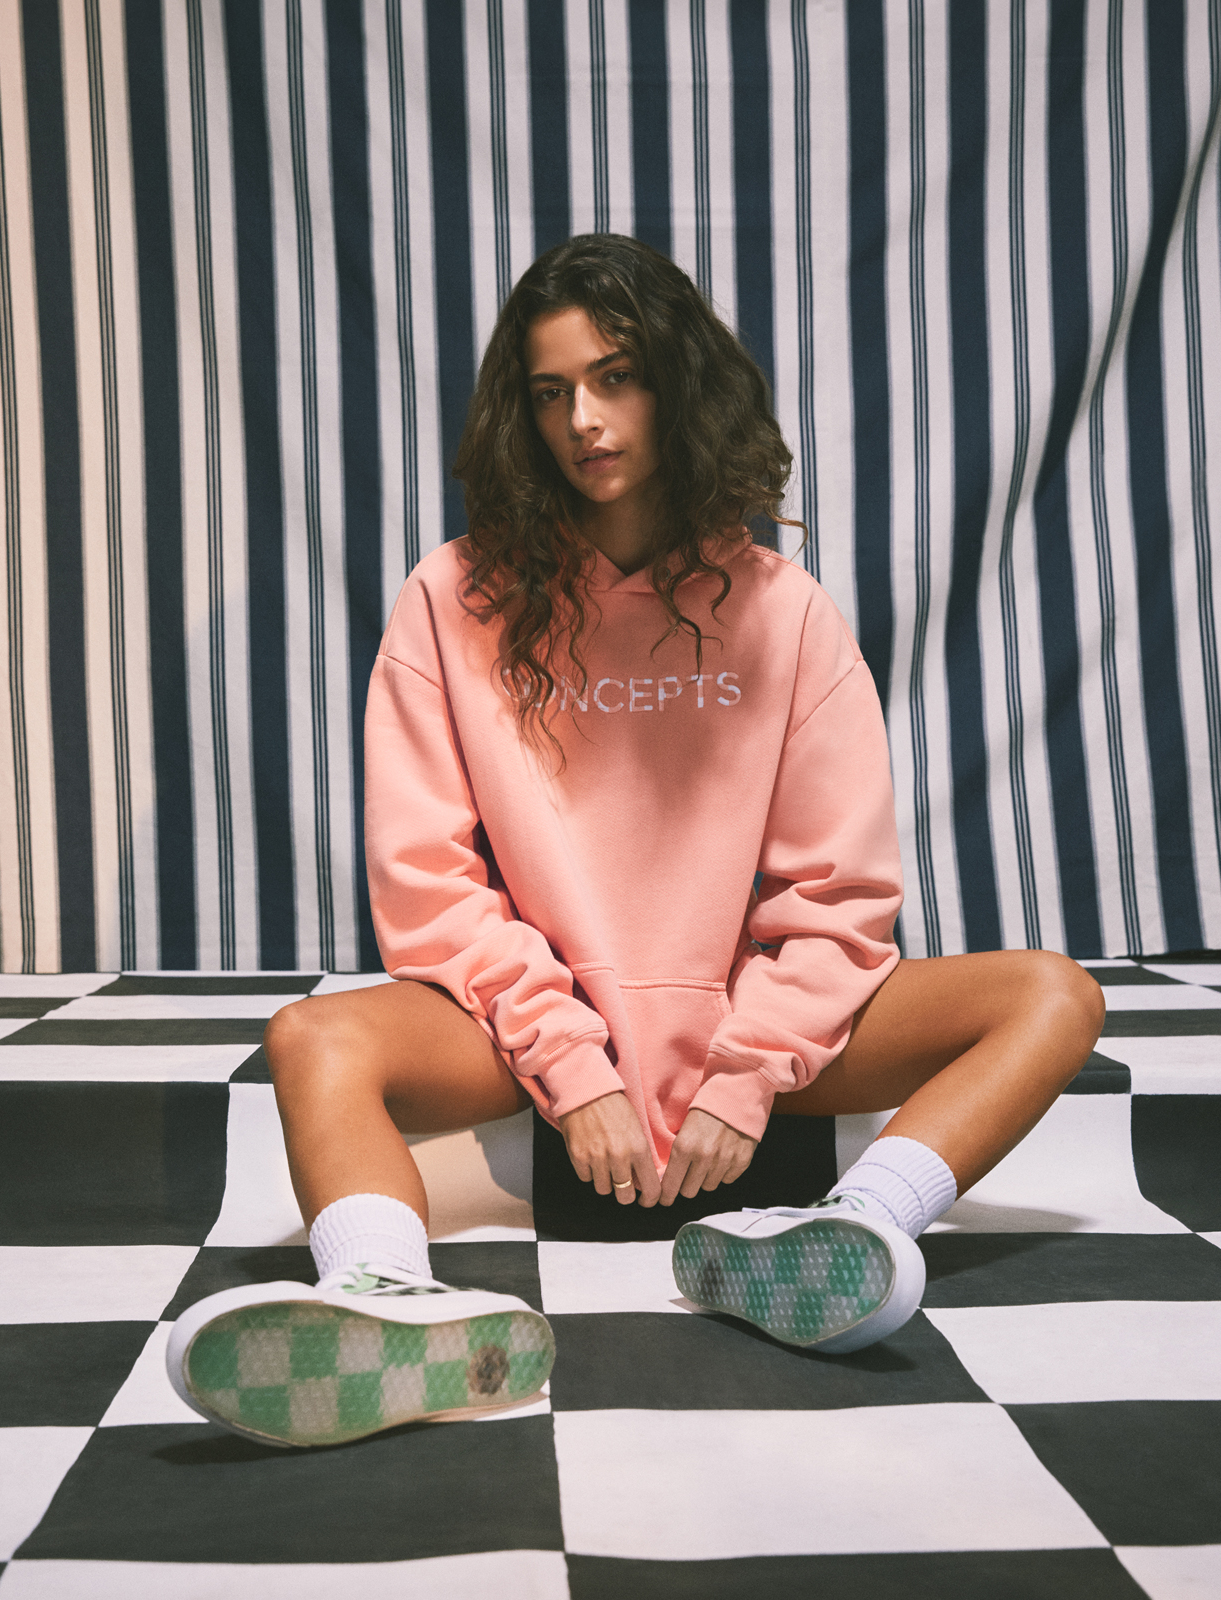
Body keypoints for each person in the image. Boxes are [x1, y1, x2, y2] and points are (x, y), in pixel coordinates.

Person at [167, 234, 1105, 1447]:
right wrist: (572, 1061)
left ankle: (855, 1229)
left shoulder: (781, 608)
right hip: (524, 1035)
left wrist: (745, 1068)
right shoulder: (451, 597)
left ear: (676, 383)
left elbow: (837, 891)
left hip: (741, 1024)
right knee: (312, 1035)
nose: (582, 421)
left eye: (614, 378)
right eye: (549, 392)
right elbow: (427, 881)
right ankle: (379, 1297)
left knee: (1051, 994)